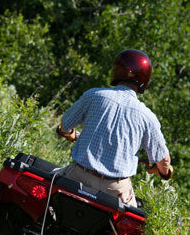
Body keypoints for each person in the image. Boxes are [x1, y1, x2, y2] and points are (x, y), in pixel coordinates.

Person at [56, 49, 173, 207]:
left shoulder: (94, 95)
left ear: (118, 72)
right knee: (137, 226)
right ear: (144, 79)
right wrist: (165, 172)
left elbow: (66, 123)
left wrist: (69, 133)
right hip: (115, 191)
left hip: (78, 176)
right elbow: (163, 160)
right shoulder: (147, 117)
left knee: (49, 184)